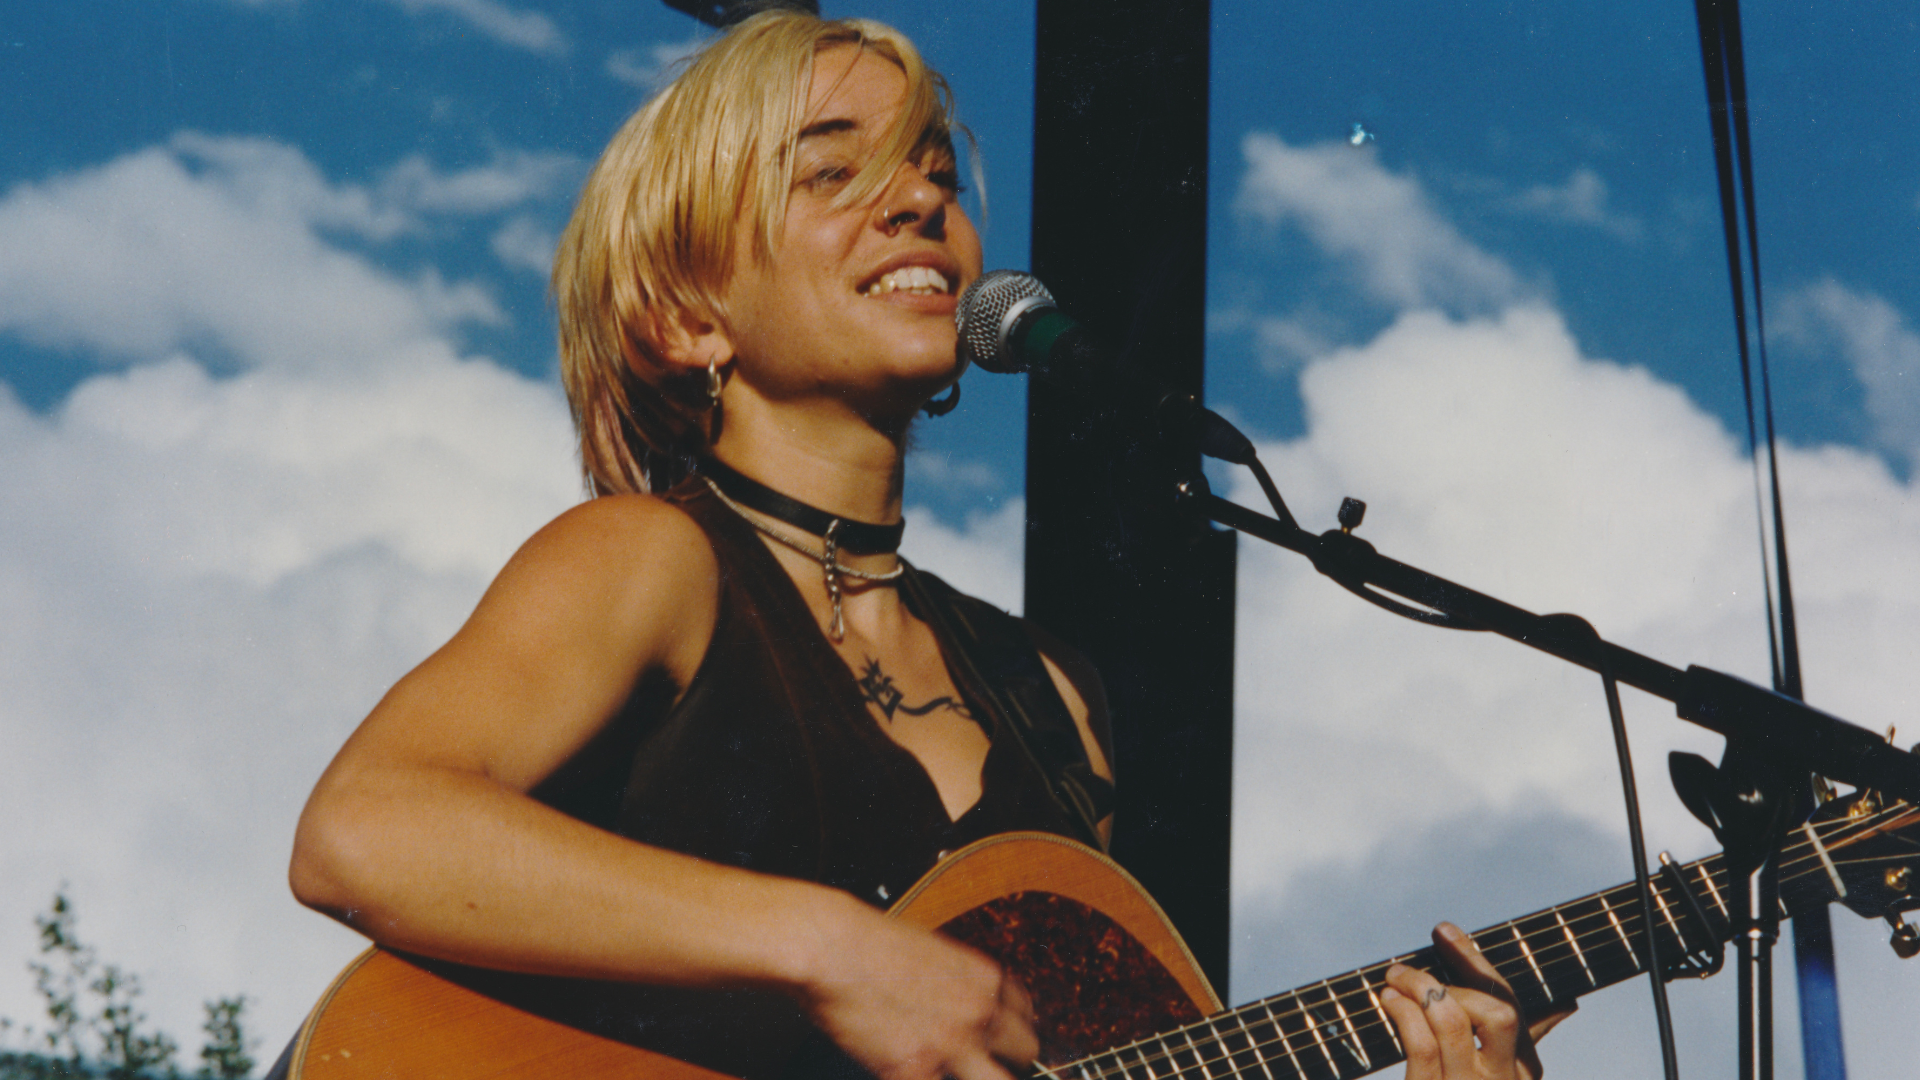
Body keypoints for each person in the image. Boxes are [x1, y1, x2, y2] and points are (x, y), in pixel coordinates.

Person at [287, 11, 1564, 1080]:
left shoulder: (1054, 698)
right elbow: (366, 829)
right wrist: (830, 948)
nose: (917, 199)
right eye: (833, 171)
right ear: (686, 316)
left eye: (937, 172)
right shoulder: (649, 561)